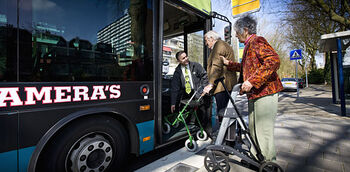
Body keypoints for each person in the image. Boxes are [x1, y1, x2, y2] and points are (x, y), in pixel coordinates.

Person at [222, 15, 283, 162]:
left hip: (265, 93)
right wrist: (228, 63)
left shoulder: (257, 41)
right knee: (254, 130)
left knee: (263, 131)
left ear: (245, 29)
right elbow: (246, 68)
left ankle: (268, 163)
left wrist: (252, 81)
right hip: (256, 94)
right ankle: (257, 158)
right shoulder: (249, 45)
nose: (235, 35)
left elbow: (273, 61)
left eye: (237, 32)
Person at [202, 30, 238, 117]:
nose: (206, 44)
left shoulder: (218, 45)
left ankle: (225, 131)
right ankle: (230, 130)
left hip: (222, 86)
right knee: (229, 113)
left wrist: (210, 84)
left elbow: (216, 66)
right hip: (226, 85)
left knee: (224, 114)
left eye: (206, 41)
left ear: (211, 38)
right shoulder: (224, 45)